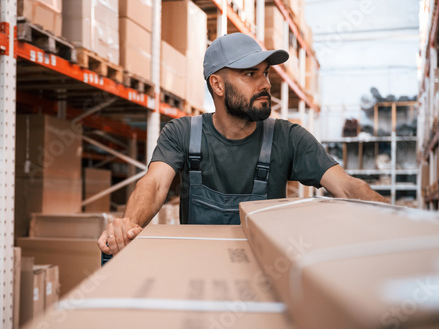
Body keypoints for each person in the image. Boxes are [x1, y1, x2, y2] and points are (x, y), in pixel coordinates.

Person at [98, 33, 387, 256]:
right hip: (196, 269)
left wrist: (394, 220)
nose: (265, 84)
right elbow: (155, 184)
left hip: (263, 279)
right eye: (250, 74)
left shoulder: (289, 138)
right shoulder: (182, 133)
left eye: (265, 73)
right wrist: (128, 224)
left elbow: (346, 186)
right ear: (218, 85)